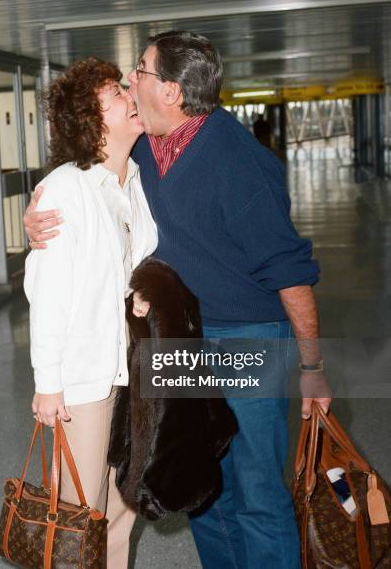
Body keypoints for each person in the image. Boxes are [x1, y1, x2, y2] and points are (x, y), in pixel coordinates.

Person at [24, 31, 332, 569]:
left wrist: (312, 365)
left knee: (258, 491)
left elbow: (291, 274)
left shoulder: (241, 163)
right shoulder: (140, 148)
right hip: (180, 341)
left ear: (169, 91)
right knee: (201, 487)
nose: (131, 81)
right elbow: (88, 175)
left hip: (245, 338)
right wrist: (39, 215)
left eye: (139, 72)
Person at [24, 57, 157, 568]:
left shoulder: (132, 182)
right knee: (81, 514)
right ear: (91, 121)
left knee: (122, 505)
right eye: (117, 95)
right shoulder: (66, 189)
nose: (129, 97)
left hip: (128, 365)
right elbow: (48, 291)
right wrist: (47, 384)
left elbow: (131, 263)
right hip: (82, 376)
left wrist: (140, 293)